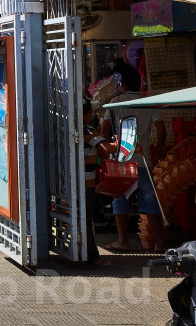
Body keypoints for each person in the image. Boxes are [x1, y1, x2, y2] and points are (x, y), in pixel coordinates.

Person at [101, 60, 167, 252]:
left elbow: (105, 129)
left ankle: (123, 241)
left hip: (121, 162)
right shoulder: (147, 102)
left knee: (119, 200)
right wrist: (160, 145)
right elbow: (160, 128)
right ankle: (159, 243)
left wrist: (107, 147)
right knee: (150, 202)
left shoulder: (114, 102)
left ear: (123, 83)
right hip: (143, 161)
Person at [82, 99, 112, 266]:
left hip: (73, 182)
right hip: (87, 183)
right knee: (86, 220)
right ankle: (92, 256)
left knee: (82, 218)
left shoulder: (71, 128)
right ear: (89, 113)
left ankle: (82, 252)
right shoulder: (88, 129)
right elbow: (106, 147)